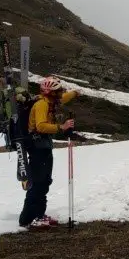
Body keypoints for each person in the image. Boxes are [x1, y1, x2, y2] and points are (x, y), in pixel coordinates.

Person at [18, 76, 77, 229]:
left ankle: (39, 215)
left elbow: (63, 98)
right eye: (57, 91)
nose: (60, 93)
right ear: (49, 92)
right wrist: (61, 127)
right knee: (38, 183)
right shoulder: (42, 105)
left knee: (44, 182)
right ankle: (28, 219)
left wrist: (75, 93)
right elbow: (41, 126)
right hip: (37, 147)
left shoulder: (50, 101)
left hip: (43, 146)